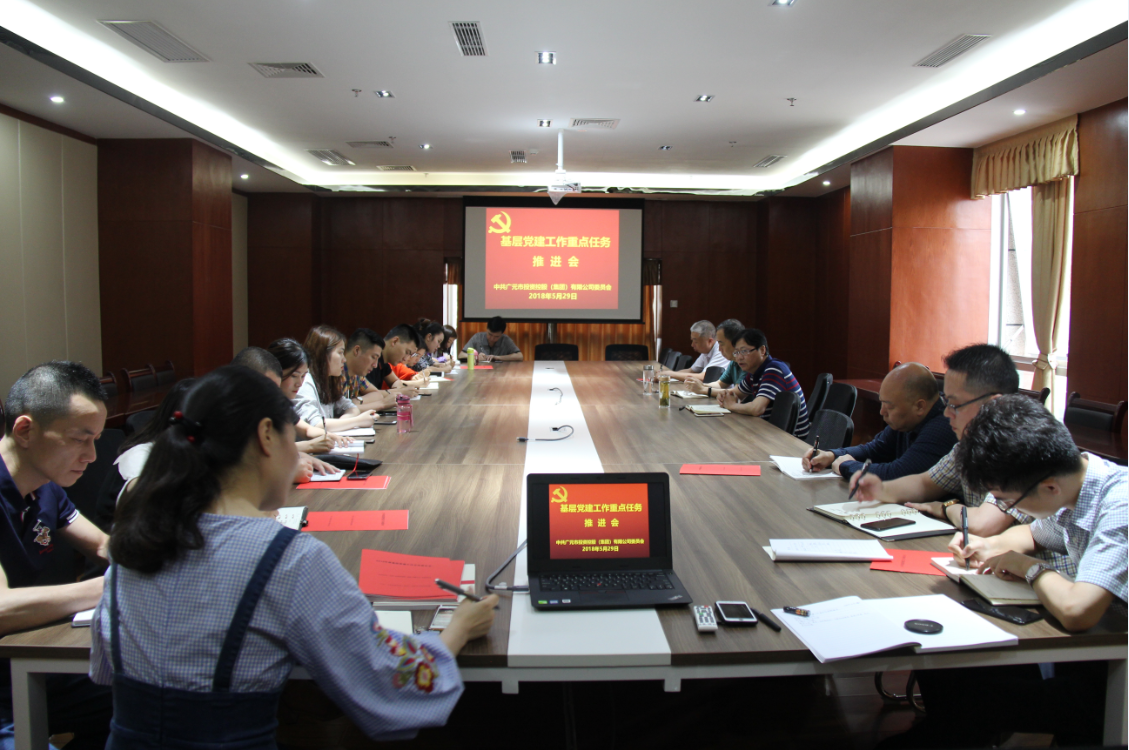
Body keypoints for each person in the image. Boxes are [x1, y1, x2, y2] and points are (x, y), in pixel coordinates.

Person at [91, 366, 499, 746]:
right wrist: (457, 630)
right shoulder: (287, 558)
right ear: (267, 435)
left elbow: (105, 671)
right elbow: (390, 685)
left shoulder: (138, 541)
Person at [879, 395, 1126, 749]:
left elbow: (1077, 610)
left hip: (1113, 669)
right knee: (950, 665)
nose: (1008, 508)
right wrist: (990, 546)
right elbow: (1032, 534)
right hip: (1097, 649)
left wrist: (1029, 568)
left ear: (1049, 487)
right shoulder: (1075, 483)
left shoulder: (1120, 507)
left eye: (1008, 501)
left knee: (976, 692)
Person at [0, 362, 112, 749]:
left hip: (26, 664)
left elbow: (103, 547)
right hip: (7, 682)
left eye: (96, 439)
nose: (92, 455)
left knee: (145, 692)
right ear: (25, 431)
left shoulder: (45, 487)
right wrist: (107, 587)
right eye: (80, 439)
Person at [802, 363, 955, 481]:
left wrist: (846, 466)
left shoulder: (944, 426)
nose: (882, 412)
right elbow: (875, 449)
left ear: (920, 406)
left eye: (890, 406)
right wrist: (831, 456)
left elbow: (899, 474)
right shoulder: (907, 419)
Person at [716, 328, 810, 439]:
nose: (739, 357)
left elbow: (757, 409)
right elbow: (735, 393)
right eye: (736, 352)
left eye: (744, 351)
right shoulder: (754, 373)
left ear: (762, 350)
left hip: (792, 440)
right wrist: (724, 395)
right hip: (772, 433)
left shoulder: (774, 369)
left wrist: (732, 405)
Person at [295, 326, 381, 432]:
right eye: (340, 353)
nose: (344, 359)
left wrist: (343, 423)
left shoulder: (327, 381)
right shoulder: (305, 382)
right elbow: (315, 425)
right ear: (323, 354)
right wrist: (357, 421)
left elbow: (351, 407)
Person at [684, 319, 745, 396]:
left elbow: (737, 393)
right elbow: (720, 384)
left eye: (721, 344)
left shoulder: (747, 363)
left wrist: (703, 389)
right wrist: (700, 385)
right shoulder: (733, 362)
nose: (719, 349)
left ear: (735, 342)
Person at [341, 329, 396, 409]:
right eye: (373, 357)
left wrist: (357, 401)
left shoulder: (357, 374)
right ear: (357, 350)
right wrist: (382, 404)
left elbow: (377, 395)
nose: (375, 365)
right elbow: (341, 411)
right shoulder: (337, 373)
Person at [663, 321, 728, 382]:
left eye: (696, 342)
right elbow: (691, 370)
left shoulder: (721, 351)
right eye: (692, 341)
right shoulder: (706, 351)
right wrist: (666, 375)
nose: (692, 345)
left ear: (710, 341)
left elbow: (704, 377)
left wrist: (670, 374)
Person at [368, 324, 424, 391]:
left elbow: (395, 382)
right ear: (395, 341)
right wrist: (397, 391)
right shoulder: (369, 359)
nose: (405, 358)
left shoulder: (384, 362)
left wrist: (400, 390)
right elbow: (370, 394)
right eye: (407, 352)